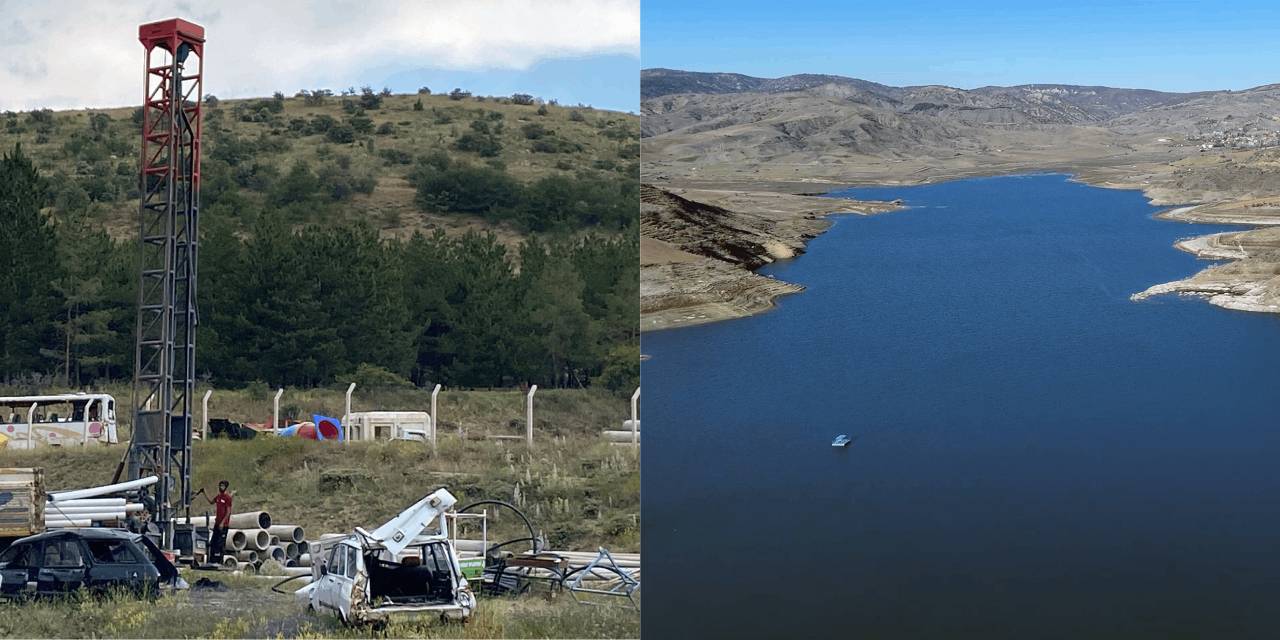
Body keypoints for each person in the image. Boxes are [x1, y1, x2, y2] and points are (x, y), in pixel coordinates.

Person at [196, 480, 235, 564]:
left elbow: (228, 512)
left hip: (223, 525)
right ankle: (212, 560)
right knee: (213, 542)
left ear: (226, 487)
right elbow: (211, 502)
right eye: (220, 486)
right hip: (217, 524)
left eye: (223, 486)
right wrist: (204, 493)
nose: (221, 488)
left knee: (220, 543)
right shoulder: (218, 497)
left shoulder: (227, 498)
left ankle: (220, 561)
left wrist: (222, 522)